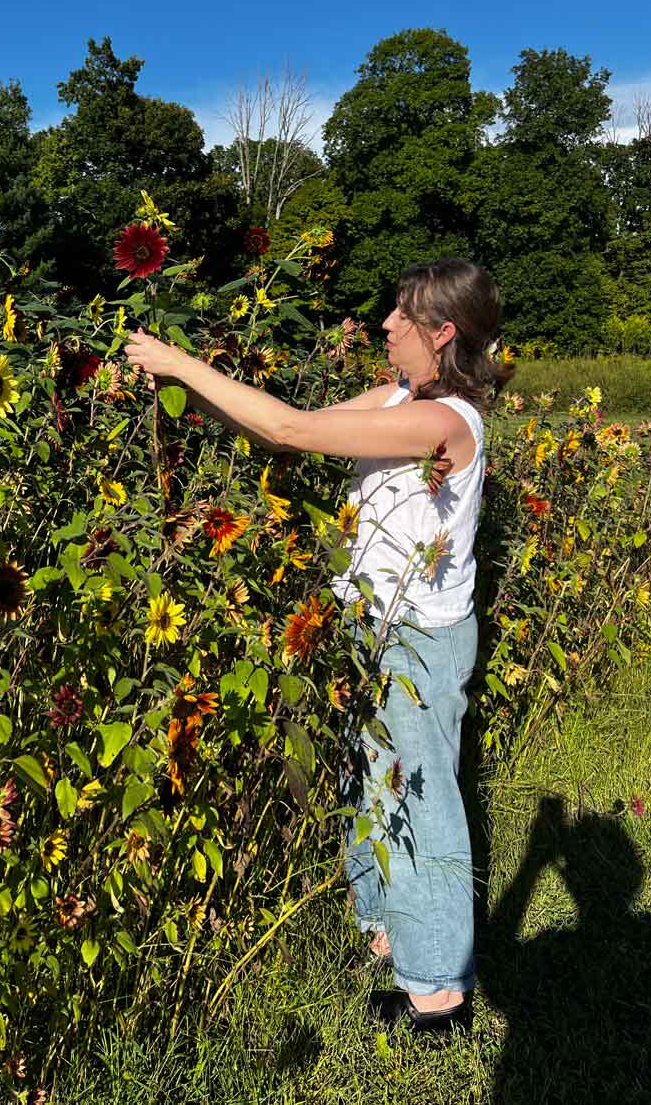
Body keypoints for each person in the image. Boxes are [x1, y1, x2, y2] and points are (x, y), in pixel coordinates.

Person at [124, 257, 514, 1038]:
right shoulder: (401, 396)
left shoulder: (446, 421)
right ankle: (389, 936)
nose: (386, 326)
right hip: (374, 625)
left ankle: (437, 993)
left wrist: (176, 360)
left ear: (444, 333)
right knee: (373, 784)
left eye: (403, 315)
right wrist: (194, 392)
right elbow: (288, 434)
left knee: (422, 797)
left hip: (417, 638)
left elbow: (290, 427)